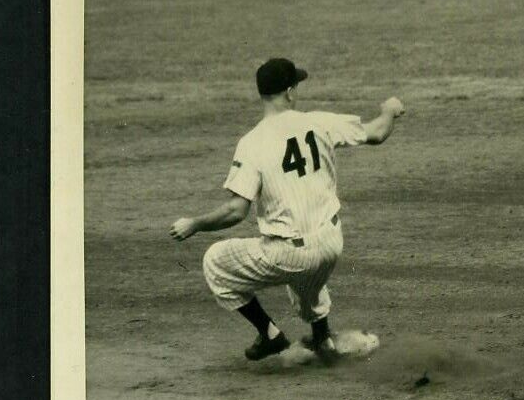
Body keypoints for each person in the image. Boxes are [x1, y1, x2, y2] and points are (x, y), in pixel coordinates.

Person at [169, 57, 405, 361]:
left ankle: (270, 335)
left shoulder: (252, 143)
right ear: (290, 92)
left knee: (216, 262)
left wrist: (195, 223)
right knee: (306, 274)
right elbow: (377, 132)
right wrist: (390, 110)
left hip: (289, 254)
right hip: (331, 242)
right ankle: (323, 340)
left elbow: (235, 211)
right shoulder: (320, 122)